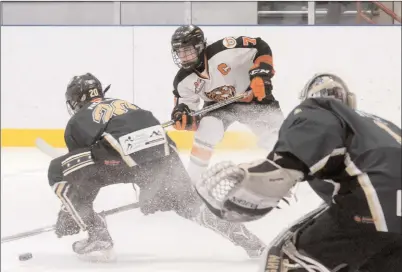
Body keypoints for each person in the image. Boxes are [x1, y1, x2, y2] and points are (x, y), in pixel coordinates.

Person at [47, 73, 267, 262]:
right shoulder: (124, 104)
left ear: (75, 100)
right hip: (163, 153)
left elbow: (84, 175)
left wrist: (74, 214)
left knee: (57, 170)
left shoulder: (77, 121)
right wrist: (154, 191)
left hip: (119, 157)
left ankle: (97, 235)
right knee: (187, 202)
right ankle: (240, 234)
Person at [195, 73, 402, 271]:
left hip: (372, 204)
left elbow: (279, 174)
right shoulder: (379, 125)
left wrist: (259, 179)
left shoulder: (320, 111)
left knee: (283, 259)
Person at [170, 24, 284, 185]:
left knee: (277, 140)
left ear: (200, 46)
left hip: (253, 97)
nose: (183, 56)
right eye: (179, 52)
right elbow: (187, 110)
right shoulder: (182, 81)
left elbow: (260, 46)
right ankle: (192, 185)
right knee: (207, 129)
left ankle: (288, 179)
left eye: (187, 50)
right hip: (218, 106)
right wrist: (185, 119)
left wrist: (261, 74)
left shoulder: (225, 50)